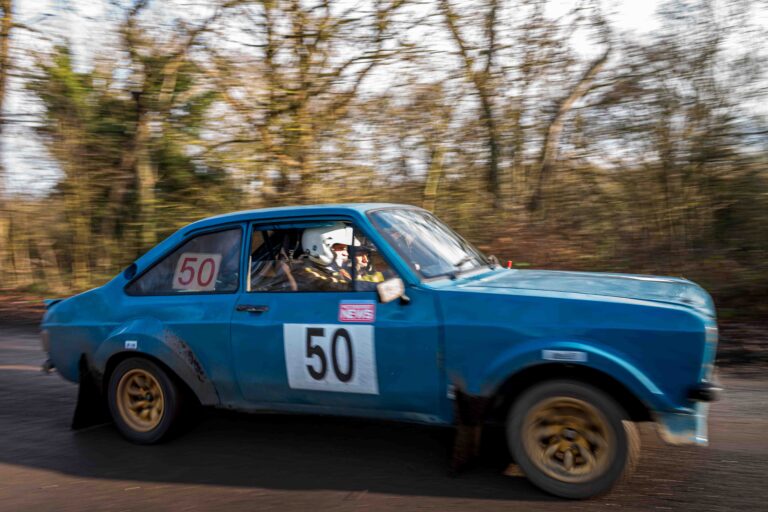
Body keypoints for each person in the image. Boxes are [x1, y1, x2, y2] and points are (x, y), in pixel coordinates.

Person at [297, 223, 353, 291]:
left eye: (346, 249)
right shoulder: (306, 272)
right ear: (317, 247)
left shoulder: (332, 270)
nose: (346, 254)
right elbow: (335, 287)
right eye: (341, 248)